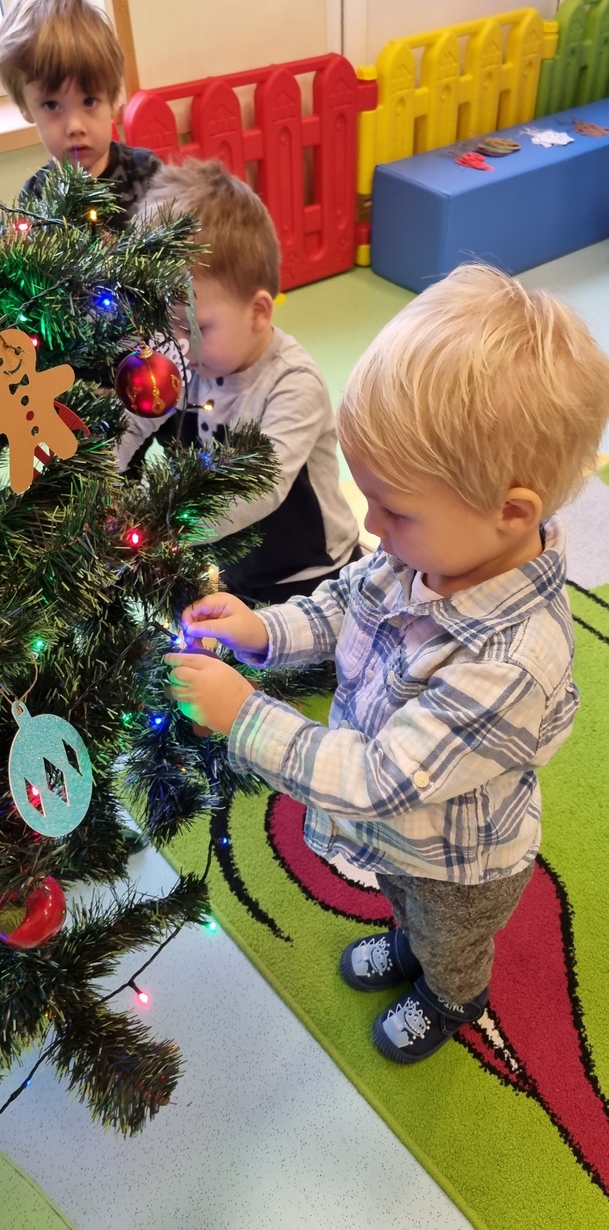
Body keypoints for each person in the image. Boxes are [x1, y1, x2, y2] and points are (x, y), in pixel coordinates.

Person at [166, 264, 609, 1063]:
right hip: (406, 842)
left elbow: (378, 778)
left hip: (462, 865)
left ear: (510, 512)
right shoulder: (426, 552)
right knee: (402, 901)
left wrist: (245, 716)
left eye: (394, 510)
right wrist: (261, 631)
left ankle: (451, 994)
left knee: (446, 936)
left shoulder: (512, 660)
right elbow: (345, 601)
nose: (370, 525)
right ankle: (409, 944)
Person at [118, 159, 360, 604]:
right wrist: (93, 485)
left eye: (195, 327)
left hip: (310, 575)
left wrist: (156, 523)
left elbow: (258, 489)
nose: (177, 345)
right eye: (165, 324)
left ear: (258, 312)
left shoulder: (292, 383)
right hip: (230, 563)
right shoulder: (182, 357)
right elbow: (132, 422)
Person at [0, 0, 160, 228]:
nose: (75, 126)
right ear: (25, 108)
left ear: (114, 99)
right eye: (52, 105)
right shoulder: (35, 197)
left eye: (89, 101)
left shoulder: (145, 172)